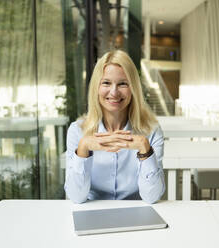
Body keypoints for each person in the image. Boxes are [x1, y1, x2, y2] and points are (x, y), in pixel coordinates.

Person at [64, 50, 165, 204]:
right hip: (92, 212)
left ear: (133, 89)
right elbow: (76, 197)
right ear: (96, 88)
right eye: (106, 83)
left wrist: (145, 148)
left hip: (136, 213)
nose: (114, 92)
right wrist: (83, 147)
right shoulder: (77, 131)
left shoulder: (152, 131)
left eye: (123, 83)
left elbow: (152, 197)